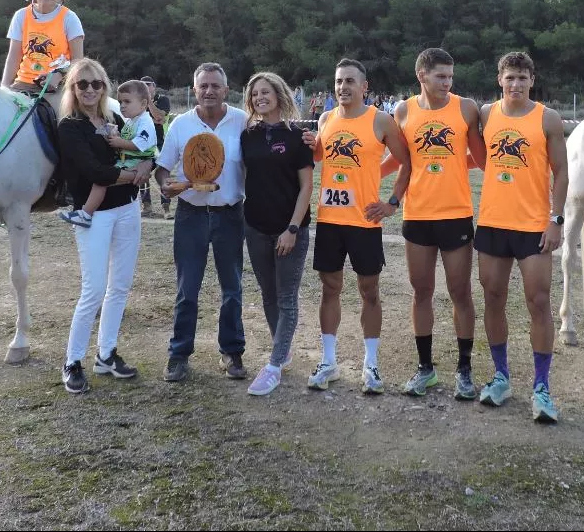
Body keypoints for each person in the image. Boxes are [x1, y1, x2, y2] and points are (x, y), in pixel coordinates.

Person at [381, 48, 486, 399]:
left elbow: (481, 157)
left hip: (455, 214)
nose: (448, 83)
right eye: (441, 76)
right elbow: (399, 160)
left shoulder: (466, 108)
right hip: (417, 215)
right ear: (422, 75)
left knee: (460, 292)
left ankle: (465, 370)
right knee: (421, 292)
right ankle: (425, 369)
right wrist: (364, 173)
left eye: (451, 77)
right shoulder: (403, 110)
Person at [305, 59, 412, 394]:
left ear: (364, 87)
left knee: (370, 292)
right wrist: (311, 143)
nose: (343, 87)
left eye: (350, 81)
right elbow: (320, 157)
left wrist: (392, 203)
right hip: (329, 221)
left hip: (365, 220)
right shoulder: (326, 118)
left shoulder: (380, 120)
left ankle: (371, 364)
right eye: (338, 81)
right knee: (329, 289)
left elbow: (406, 162)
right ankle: (329, 361)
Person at [474, 52, 568, 423]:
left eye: (522, 78)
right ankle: (501, 377)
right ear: (500, 80)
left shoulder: (547, 118)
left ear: (532, 80)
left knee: (539, 301)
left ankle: (542, 388)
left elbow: (561, 172)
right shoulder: (485, 114)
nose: (516, 84)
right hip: (494, 222)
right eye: (510, 77)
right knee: (493, 297)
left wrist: (556, 220)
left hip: (533, 226)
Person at [57, 59, 151, 393]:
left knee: (121, 285)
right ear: (73, 88)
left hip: (128, 208)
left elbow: (148, 140)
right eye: (82, 84)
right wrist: (136, 174)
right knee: (94, 290)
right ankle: (72, 361)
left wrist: (148, 162)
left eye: (96, 84)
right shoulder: (69, 127)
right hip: (94, 215)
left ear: (104, 87)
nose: (90, 90)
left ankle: (106, 353)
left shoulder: (116, 118)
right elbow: (95, 171)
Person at [156, 63, 249, 382]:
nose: (209, 91)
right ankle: (179, 354)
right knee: (187, 288)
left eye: (215, 86)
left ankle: (232, 351)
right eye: (203, 86)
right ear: (194, 90)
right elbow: (163, 168)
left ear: (226, 89)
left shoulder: (243, 121)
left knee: (232, 287)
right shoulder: (180, 124)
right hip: (190, 214)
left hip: (230, 214)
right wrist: (166, 184)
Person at [241, 72, 314, 395]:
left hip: (290, 230)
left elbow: (306, 186)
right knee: (268, 294)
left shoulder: (299, 136)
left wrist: (293, 228)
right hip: (255, 227)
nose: (260, 97)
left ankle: (272, 365)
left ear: (280, 95)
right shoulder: (247, 135)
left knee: (286, 297)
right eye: (255, 93)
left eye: (266, 92)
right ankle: (281, 353)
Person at [58, 80, 157, 228]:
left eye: (127, 102)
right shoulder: (131, 120)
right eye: (120, 101)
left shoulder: (144, 122)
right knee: (103, 179)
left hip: (131, 165)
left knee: (102, 182)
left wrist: (119, 143)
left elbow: (140, 145)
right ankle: (85, 212)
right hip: (130, 166)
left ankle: (85, 214)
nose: (122, 105)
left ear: (143, 104)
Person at [2, 0, 85, 95]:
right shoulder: (21, 16)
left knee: (62, 115)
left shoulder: (70, 18)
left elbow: (78, 61)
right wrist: (4, 88)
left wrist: (60, 76)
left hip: (57, 86)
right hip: (23, 83)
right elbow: (13, 57)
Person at [140, 76, 173, 218]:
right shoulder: (138, 102)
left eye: (148, 84)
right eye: (143, 85)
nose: (146, 87)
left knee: (163, 172)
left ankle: (166, 208)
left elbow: (160, 118)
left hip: (160, 143)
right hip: (143, 142)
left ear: (154, 86)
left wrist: (148, 103)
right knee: (142, 172)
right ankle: (147, 206)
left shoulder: (163, 99)